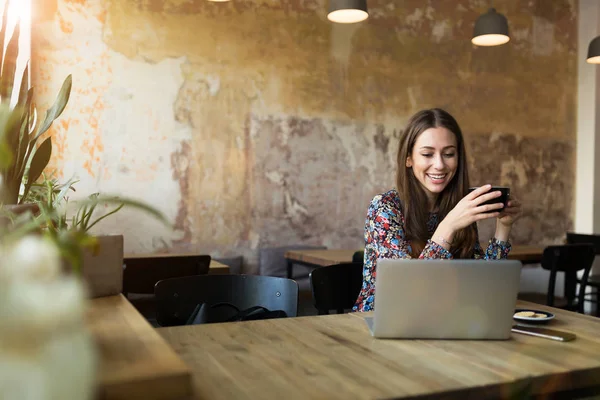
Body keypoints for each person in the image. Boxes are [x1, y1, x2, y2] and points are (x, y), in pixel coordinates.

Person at [353, 108, 522, 312]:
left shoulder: (458, 208)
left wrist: (503, 229)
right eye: (427, 154)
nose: (440, 165)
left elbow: (483, 289)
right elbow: (406, 292)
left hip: (441, 320)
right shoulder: (385, 207)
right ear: (409, 158)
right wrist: (449, 226)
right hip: (383, 321)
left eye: (449, 154)